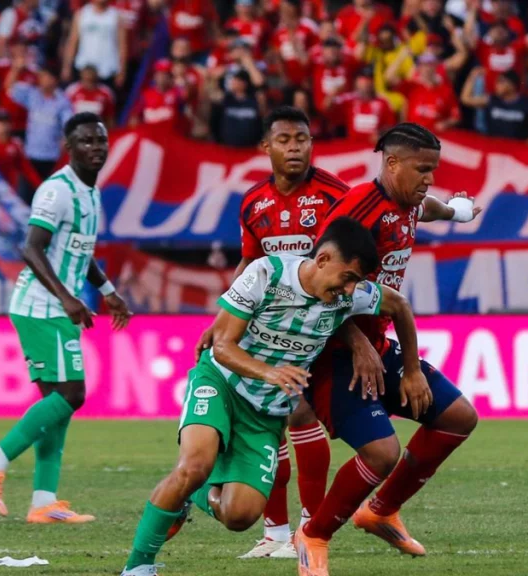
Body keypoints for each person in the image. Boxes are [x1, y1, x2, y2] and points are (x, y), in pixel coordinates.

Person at [120, 217, 421, 576]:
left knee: (239, 516)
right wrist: (268, 372)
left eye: (356, 282)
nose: (349, 289)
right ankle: (138, 567)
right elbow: (223, 346)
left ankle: (193, 496)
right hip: (221, 383)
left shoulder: (351, 294)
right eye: (347, 277)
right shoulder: (267, 273)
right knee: (194, 467)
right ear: (323, 259)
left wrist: (413, 370)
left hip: (266, 412)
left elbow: (399, 305)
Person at [295, 124, 481, 576]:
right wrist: (357, 342)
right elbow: (315, 284)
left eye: (433, 170)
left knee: (458, 417)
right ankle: (313, 535)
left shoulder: (410, 202)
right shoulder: (358, 210)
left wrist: (456, 212)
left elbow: (428, 207)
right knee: (381, 453)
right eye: (422, 170)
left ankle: (380, 511)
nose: (429, 180)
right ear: (392, 163)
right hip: (332, 353)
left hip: (378, 344)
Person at [191, 107, 362, 559]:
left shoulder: (335, 195)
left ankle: (308, 526)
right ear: (266, 147)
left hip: (319, 326)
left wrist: (358, 338)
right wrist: (221, 319)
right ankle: (276, 532)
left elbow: (355, 265)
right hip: (267, 327)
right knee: (275, 418)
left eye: (302, 139)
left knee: (299, 414)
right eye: (284, 140)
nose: (295, 148)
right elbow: (249, 262)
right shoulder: (254, 202)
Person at [0, 112, 133, 524]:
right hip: (41, 307)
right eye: (86, 141)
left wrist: (108, 292)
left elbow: (80, 251)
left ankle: (43, 502)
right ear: (68, 148)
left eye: (100, 140)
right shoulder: (57, 191)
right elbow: (31, 247)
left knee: (57, 405)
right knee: (73, 394)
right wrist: (67, 298)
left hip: (57, 306)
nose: (95, 147)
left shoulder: (90, 193)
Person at [10, 67, 74, 201]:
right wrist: (16, 69)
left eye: (45, 77)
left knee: (48, 199)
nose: (41, 80)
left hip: (51, 157)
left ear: (54, 80)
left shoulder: (62, 101)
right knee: (24, 197)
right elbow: (11, 89)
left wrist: (65, 142)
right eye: (41, 77)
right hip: (30, 156)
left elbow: (69, 127)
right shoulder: (32, 95)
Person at [462, 68, 528, 140]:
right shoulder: (492, 100)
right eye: (497, 82)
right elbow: (466, 99)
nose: (497, 85)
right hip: (494, 145)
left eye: (501, 82)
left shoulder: (526, 103)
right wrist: (472, 77)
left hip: (517, 146)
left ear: (512, 85)